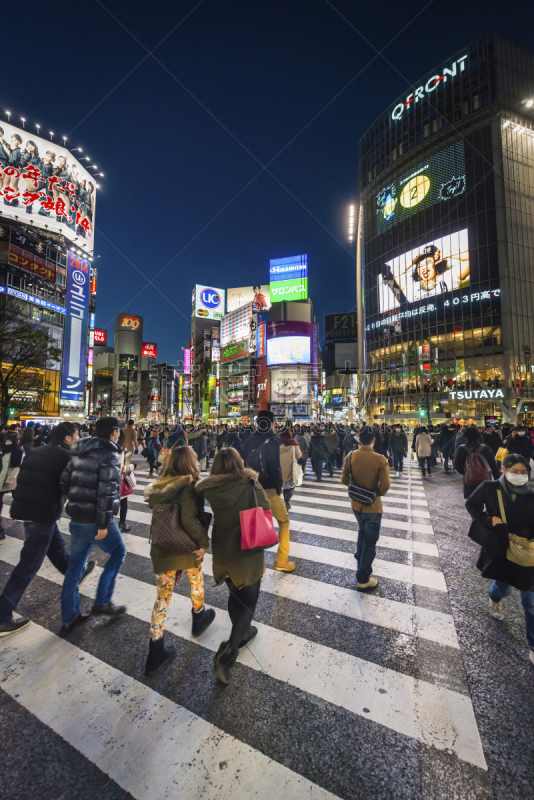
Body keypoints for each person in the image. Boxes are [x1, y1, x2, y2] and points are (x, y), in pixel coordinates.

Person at [0, 423, 96, 636]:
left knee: (57, 548)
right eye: (77, 435)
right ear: (68, 438)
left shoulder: (37, 451)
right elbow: (72, 486)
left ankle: (76, 572)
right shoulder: (63, 457)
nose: (79, 438)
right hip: (41, 514)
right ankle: (2, 615)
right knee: (28, 566)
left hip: (30, 510)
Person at [197, 448, 270, 684]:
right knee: (249, 599)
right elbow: (266, 508)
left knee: (235, 593)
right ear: (239, 463)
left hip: (223, 546)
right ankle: (229, 653)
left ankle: (244, 632)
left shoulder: (210, 489)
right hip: (248, 546)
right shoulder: (250, 482)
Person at [144, 446, 215, 676]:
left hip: (163, 546)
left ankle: (155, 651)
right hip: (185, 548)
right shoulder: (190, 486)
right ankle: (199, 617)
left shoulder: (160, 485)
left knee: (162, 598)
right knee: (196, 581)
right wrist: (203, 542)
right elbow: (189, 519)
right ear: (189, 463)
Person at [59, 417, 127, 636]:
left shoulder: (79, 450)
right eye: (118, 431)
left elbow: (64, 481)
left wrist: (78, 500)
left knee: (75, 566)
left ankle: (70, 617)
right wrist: (103, 523)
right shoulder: (110, 455)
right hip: (95, 519)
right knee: (118, 552)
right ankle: (102, 602)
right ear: (114, 432)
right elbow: (107, 491)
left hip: (77, 518)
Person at [466, 454, 534, 666]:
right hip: (503, 548)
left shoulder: (531, 494)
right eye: (516, 471)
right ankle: (494, 598)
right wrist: (487, 519)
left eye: (525, 473)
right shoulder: (489, 488)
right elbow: (471, 504)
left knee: (530, 601)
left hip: (529, 550)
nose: (521, 476)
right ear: (503, 470)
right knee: (503, 587)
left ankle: (532, 645)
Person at [243, 410, 293, 573]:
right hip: (269, 489)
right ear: (271, 423)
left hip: (252, 488)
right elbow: (274, 467)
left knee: (257, 525)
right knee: (284, 522)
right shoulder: (272, 440)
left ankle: (259, 566)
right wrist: (278, 487)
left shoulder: (249, 439)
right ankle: (281, 560)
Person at [341, 426, 391, 592]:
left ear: (359, 439)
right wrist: (373, 492)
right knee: (370, 542)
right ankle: (363, 578)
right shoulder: (380, 459)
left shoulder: (350, 456)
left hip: (356, 505)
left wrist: (357, 488)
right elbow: (384, 487)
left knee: (362, 532)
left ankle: (359, 559)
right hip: (373, 506)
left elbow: (344, 480)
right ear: (374, 440)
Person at [454, 426, 500, 498]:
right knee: (487, 502)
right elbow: (494, 467)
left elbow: (456, 464)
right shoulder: (486, 449)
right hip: (485, 482)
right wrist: (497, 481)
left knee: (473, 503)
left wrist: (464, 472)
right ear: (478, 436)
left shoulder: (461, 449)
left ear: (465, 437)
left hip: (469, 482)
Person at [0, 432, 25, 543]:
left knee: (18, 499)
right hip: (1, 479)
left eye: (10, 441)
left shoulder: (19, 451)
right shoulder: (3, 450)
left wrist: (10, 479)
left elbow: (17, 467)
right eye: (6, 441)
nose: (7, 443)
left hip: (11, 480)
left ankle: (20, 513)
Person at [279, 427, 302, 510]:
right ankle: (287, 500)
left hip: (279, 468)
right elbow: (299, 455)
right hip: (290, 468)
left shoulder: (276, 442)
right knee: (290, 486)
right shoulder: (293, 443)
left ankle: (280, 501)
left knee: (281, 485)